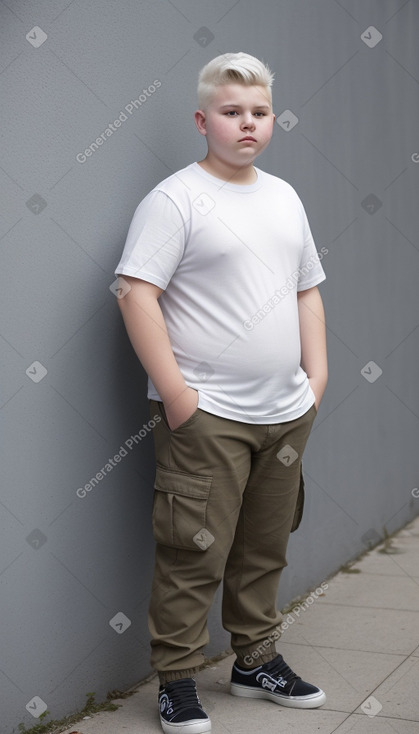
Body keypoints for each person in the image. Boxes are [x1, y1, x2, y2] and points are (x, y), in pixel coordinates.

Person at [115, 51, 328, 734]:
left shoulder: (284, 196)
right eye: (232, 113)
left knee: (263, 545)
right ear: (203, 120)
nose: (247, 124)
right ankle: (176, 681)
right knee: (192, 552)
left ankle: (253, 660)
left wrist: (315, 378)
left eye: (259, 113)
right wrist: (176, 393)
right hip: (207, 415)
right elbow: (134, 290)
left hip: (284, 411)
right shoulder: (175, 198)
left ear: (273, 120)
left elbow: (306, 290)